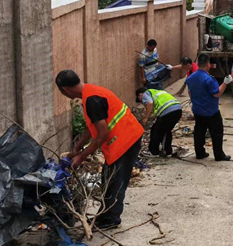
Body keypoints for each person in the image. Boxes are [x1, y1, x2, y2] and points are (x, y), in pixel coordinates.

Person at [55, 70, 144, 230]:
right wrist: (77, 148)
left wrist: (81, 157)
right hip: (125, 137)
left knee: (115, 182)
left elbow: (102, 134)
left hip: (125, 141)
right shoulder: (89, 93)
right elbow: (92, 127)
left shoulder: (91, 100)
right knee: (107, 178)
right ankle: (106, 215)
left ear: (65, 90)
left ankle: (111, 219)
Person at [186, 54, 232, 161]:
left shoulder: (191, 77)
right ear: (208, 64)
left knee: (199, 132)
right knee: (216, 133)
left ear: (198, 64)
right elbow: (216, 93)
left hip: (197, 110)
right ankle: (219, 155)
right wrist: (225, 83)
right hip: (211, 111)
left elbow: (189, 91)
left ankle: (200, 153)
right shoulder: (209, 79)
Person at [136, 87, 182, 157]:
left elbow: (150, 103)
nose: (142, 102)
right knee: (165, 130)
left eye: (140, 100)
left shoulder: (146, 93)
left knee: (157, 131)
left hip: (167, 111)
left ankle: (154, 152)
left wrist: (146, 118)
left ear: (140, 95)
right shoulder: (157, 92)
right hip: (177, 109)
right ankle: (167, 151)